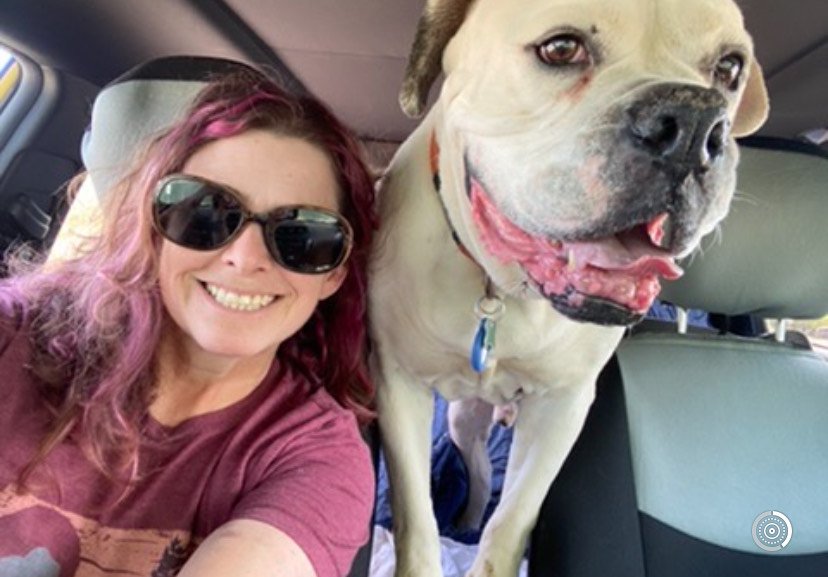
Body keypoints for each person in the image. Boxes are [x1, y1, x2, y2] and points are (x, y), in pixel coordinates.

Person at [0, 66, 377, 577]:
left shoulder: (315, 458)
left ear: (334, 273)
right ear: (152, 227)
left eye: (303, 235)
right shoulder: (14, 338)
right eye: (204, 211)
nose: (244, 258)